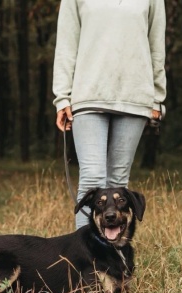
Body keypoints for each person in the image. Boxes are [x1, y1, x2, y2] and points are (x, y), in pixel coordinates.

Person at [52, 0, 167, 228]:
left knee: (118, 183)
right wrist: (62, 97)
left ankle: (111, 259)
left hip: (134, 97)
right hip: (88, 95)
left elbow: (157, 46)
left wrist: (157, 96)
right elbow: (66, 46)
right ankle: (86, 259)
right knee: (92, 179)